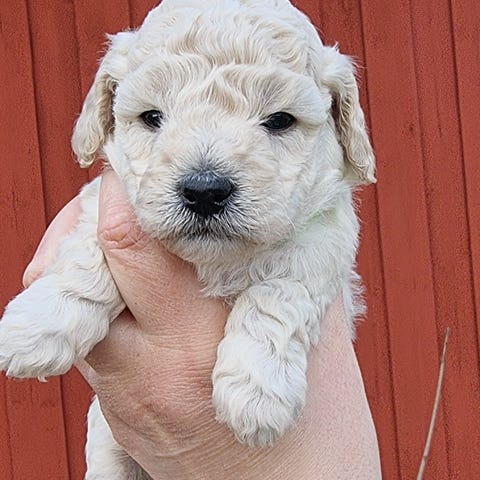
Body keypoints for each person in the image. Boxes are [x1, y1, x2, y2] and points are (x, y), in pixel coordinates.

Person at [23, 170, 382, 479]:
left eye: (276, 122)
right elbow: (109, 230)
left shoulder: (319, 218)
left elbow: (316, 255)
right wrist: (77, 289)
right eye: (154, 120)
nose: (206, 181)